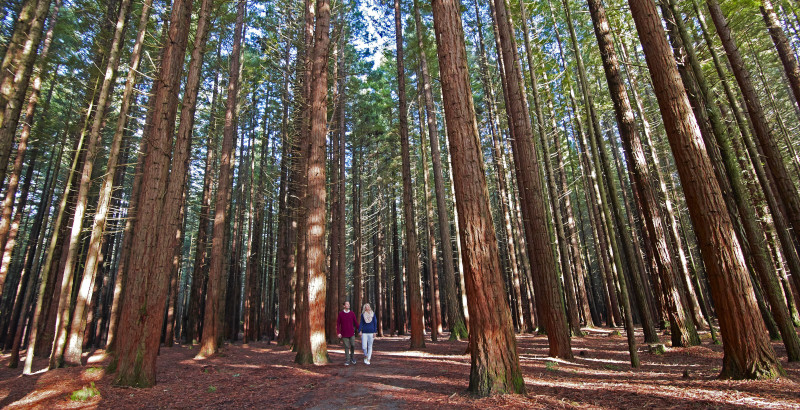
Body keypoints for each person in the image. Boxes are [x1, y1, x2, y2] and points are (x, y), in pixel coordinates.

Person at [336, 301, 359, 366]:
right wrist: (338, 332)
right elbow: (338, 324)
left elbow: (356, 322)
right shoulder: (341, 314)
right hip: (344, 333)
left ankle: (352, 357)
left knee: (353, 345)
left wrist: (359, 330)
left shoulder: (352, 313)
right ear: (344, 306)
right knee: (346, 346)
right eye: (347, 304)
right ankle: (347, 360)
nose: (348, 305)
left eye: (349, 304)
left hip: (351, 333)